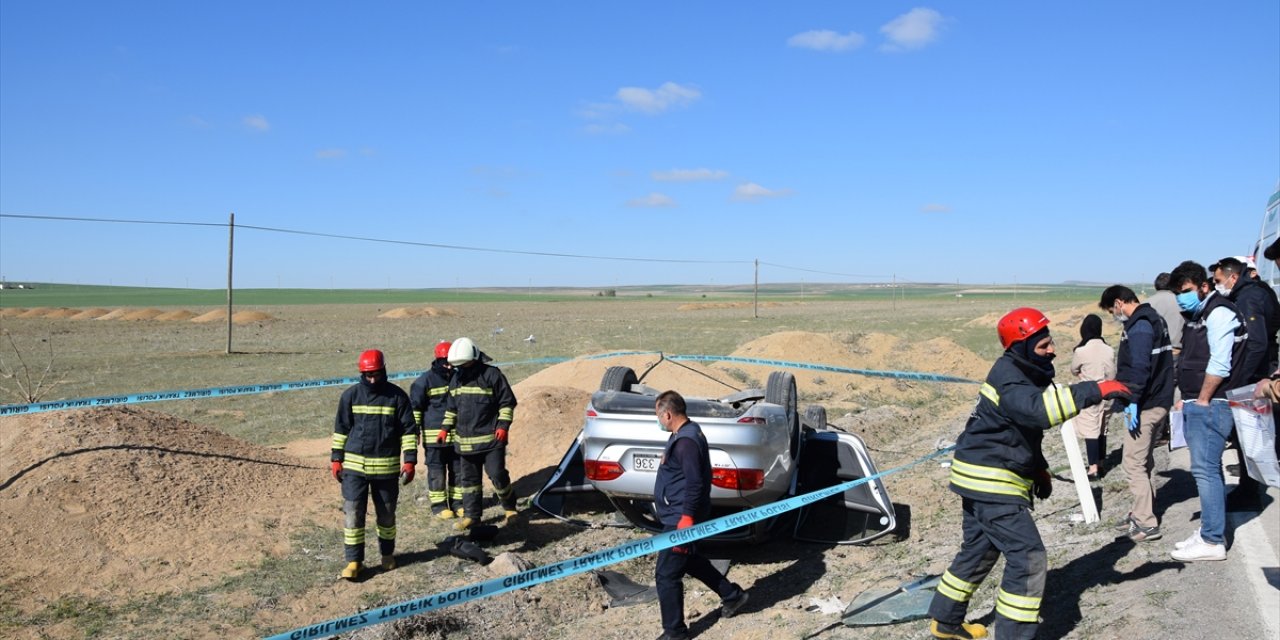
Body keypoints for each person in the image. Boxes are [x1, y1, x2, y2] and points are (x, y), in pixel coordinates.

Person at [927, 308, 1130, 640]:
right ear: (1020, 347)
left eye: (1051, 344)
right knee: (1028, 556)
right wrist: (1097, 389)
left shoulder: (1021, 371)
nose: (1052, 350)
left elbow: (1020, 431)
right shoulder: (1010, 376)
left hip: (976, 474)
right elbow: (1039, 413)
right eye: (1043, 346)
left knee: (979, 550)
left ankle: (945, 622)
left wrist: (1039, 469)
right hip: (991, 480)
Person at [1167, 260, 1255, 562]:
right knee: (1208, 469)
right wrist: (1187, 398)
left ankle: (1212, 539)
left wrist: (1202, 399)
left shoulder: (1218, 313)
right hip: (1199, 401)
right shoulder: (1201, 313)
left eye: (1187, 291)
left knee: (1205, 470)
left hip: (1212, 403)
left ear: (1204, 286)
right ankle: (1208, 529)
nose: (1182, 298)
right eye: (1178, 293)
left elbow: (1220, 362)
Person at [652, 390, 749, 640]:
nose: (657, 420)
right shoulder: (685, 434)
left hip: (680, 519)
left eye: (657, 415)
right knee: (690, 560)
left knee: (666, 574)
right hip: (679, 515)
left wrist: (686, 517)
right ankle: (732, 595)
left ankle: (675, 632)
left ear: (668, 414)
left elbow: (695, 484)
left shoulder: (686, 441)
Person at [331, 349, 418, 580]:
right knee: (352, 515)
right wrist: (336, 459)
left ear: (384, 370)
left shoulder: (397, 398)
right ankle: (354, 562)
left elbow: (409, 431)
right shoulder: (350, 396)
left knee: (387, 516)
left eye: (376, 374)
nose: (372, 379)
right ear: (361, 373)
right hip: (354, 469)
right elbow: (341, 430)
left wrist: (410, 461)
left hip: (386, 472)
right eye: (368, 375)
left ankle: (387, 555)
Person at [1098, 285, 1175, 542]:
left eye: (1112, 310)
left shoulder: (1140, 325)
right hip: (1157, 400)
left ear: (1120, 302)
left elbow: (1141, 368)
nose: (1114, 315)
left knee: (1132, 464)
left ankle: (1146, 524)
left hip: (1146, 404)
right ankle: (1140, 511)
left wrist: (1133, 400)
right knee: (1144, 461)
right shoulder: (1154, 319)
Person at [1212, 256, 1280, 509]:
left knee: (1249, 434)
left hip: (1255, 374)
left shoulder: (1248, 297)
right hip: (1262, 368)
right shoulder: (1252, 292)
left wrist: (1240, 380)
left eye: (1219, 280)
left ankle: (1249, 494)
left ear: (1232, 276)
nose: (1217, 284)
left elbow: (1257, 342)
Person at [440, 337, 519, 531]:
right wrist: (445, 428)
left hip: (491, 440)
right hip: (465, 443)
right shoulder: (456, 379)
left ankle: (509, 508)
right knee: (469, 483)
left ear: (475, 358)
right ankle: (472, 516)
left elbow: (507, 402)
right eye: (458, 365)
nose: (461, 368)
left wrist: (503, 426)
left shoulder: (492, 375)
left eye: (464, 364)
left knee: (497, 474)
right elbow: (452, 408)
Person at [410, 340, 462, 519]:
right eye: (445, 361)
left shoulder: (459, 377)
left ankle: (458, 503)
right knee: (437, 471)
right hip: (434, 438)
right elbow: (415, 409)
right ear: (437, 360)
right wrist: (415, 431)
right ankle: (439, 506)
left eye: (451, 362)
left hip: (456, 435)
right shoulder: (423, 382)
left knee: (458, 469)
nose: (448, 365)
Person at [1069, 314, 1115, 478]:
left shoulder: (1081, 351)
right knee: (1103, 429)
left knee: (1091, 431)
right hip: (1107, 393)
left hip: (1089, 393)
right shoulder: (1109, 349)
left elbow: (1074, 370)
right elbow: (1111, 374)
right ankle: (1101, 464)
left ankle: (1093, 467)